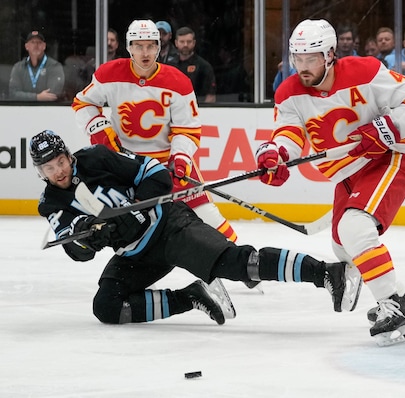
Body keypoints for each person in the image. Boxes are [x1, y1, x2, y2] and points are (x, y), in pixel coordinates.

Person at [31, 130, 356, 326]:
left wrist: (140, 210)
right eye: (49, 167)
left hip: (169, 226)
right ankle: (192, 296)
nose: (58, 170)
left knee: (238, 264)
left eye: (60, 161)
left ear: (67, 155)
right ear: (41, 171)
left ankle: (326, 273)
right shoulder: (50, 202)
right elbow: (75, 248)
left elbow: (156, 173)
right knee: (106, 306)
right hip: (136, 254)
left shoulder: (96, 158)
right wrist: (92, 235)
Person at [257, 19, 405, 346]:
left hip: (388, 158)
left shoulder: (365, 72)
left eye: (311, 58)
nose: (302, 67)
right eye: (297, 58)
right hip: (346, 174)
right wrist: (276, 153)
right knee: (341, 245)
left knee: (355, 228)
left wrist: (385, 128)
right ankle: (403, 300)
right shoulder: (289, 92)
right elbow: (290, 134)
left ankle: (392, 306)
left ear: (330, 54)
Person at [72, 20, 240, 255]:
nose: (145, 53)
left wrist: (181, 157)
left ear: (159, 48)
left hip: (166, 162)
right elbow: (83, 102)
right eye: (138, 46)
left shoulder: (178, 82)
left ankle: (240, 260)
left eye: (151, 46)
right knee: (130, 225)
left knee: (206, 214)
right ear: (129, 47)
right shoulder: (109, 74)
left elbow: (188, 129)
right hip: (127, 164)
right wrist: (98, 129)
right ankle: (134, 270)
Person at [8, 30, 65, 101]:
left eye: (39, 42)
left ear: (44, 46)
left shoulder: (55, 66)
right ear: (26, 46)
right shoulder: (18, 67)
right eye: (32, 42)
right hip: (22, 109)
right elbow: (13, 94)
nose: (36, 45)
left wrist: (25, 96)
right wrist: (37, 97)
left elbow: (52, 95)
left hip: (48, 109)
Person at [170, 26, 217, 103]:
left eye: (189, 42)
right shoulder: (169, 66)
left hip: (196, 110)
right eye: (182, 42)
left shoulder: (204, 66)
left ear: (194, 43)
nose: (185, 45)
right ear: (176, 43)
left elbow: (210, 96)